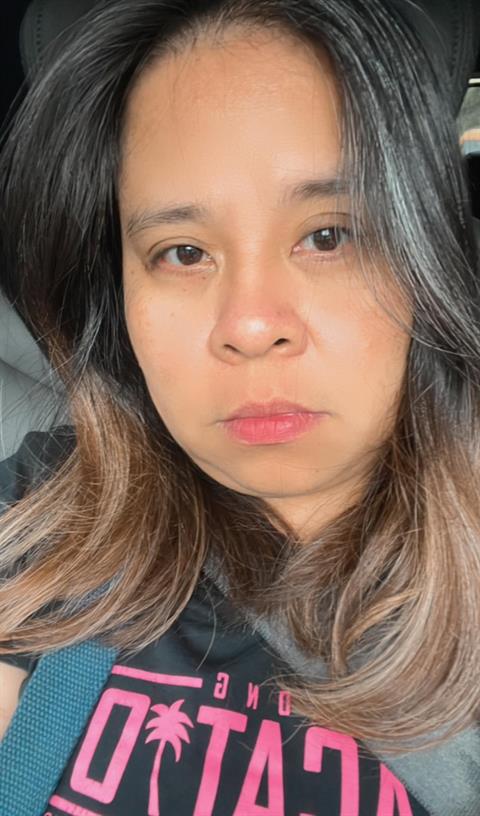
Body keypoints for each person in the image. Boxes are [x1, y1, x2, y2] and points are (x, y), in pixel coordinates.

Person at [0, 0, 479, 814]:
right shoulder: (42, 514)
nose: (251, 326)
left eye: (329, 236)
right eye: (183, 252)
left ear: (424, 251)